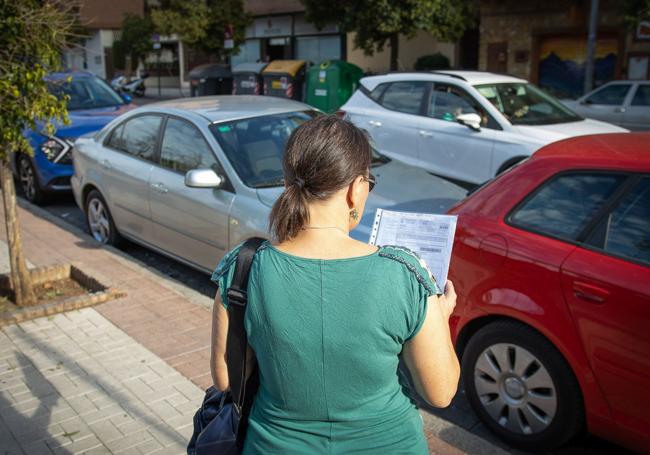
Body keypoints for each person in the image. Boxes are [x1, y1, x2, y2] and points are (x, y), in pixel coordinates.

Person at [210, 115, 460, 454]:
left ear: (288, 184)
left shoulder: (243, 268)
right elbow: (440, 392)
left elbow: (226, 379)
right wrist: (439, 318)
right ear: (357, 189)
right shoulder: (406, 273)